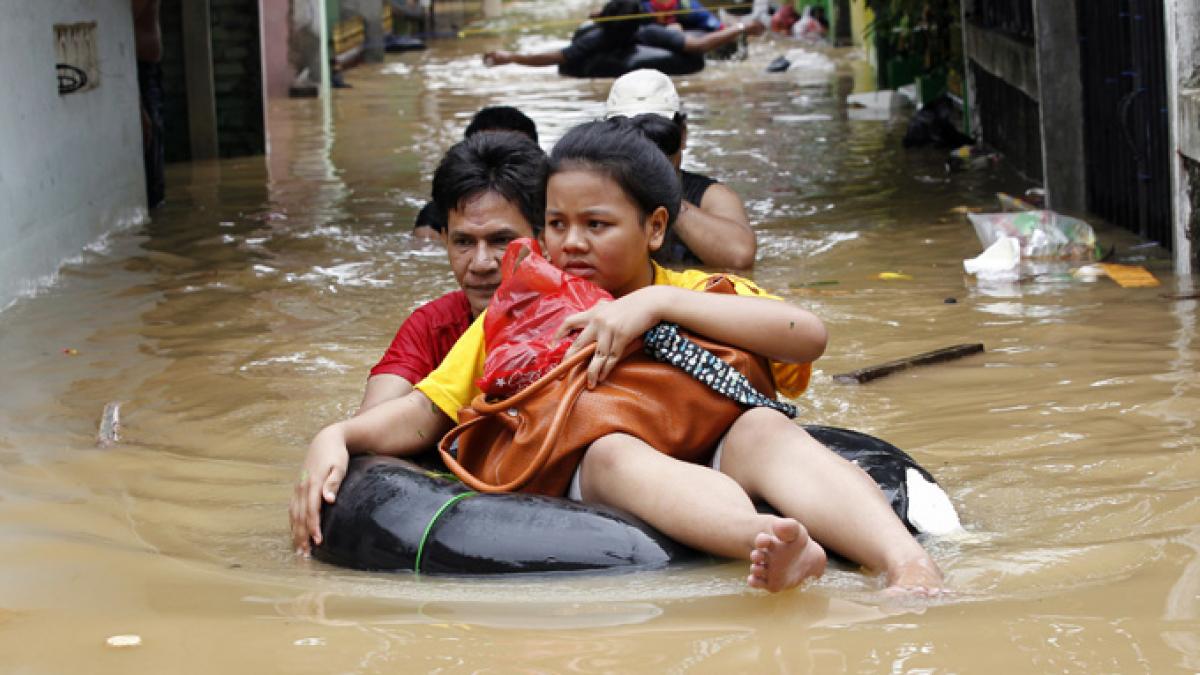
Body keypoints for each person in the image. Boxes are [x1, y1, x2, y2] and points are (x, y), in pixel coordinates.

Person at [292, 119, 943, 595]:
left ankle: (907, 563)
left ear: (655, 228)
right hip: (594, 471)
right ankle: (766, 542)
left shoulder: (697, 292)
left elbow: (806, 334)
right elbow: (425, 413)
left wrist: (654, 308)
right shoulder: (515, 313)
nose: (571, 243)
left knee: (764, 427)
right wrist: (339, 433)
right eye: (555, 224)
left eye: (596, 225)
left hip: (704, 440)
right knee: (614, 452)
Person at [359, 132, 548, 414]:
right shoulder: (432, 327)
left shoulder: (585, 320)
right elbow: (371, 418)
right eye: (464, 242)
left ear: (545, 240)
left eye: (501, 241)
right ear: (444, 238)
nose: (480, 264)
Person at [605, 69, 756, 269]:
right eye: (632, 138)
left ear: (682, 135)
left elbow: (739, 256)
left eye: (659, 138)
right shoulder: (593, 190)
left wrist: (663, 194)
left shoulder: (710, 196)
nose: (647, 151)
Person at [483, 0, 765, 74]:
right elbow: (700, 45)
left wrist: (509, 58)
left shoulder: (598, 39)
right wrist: (743, 28)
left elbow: (551, 57)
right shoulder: (648, 32)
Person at [413, 106, 539, 241]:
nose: (481, 261)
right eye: (464, 242)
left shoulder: (550, 199)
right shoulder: (437, 213)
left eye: (502, 240)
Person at [132, 0, 164, 208]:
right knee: (151, 182)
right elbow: (118, 30)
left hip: (148, 74)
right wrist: (136, 104)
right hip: (139, 75)